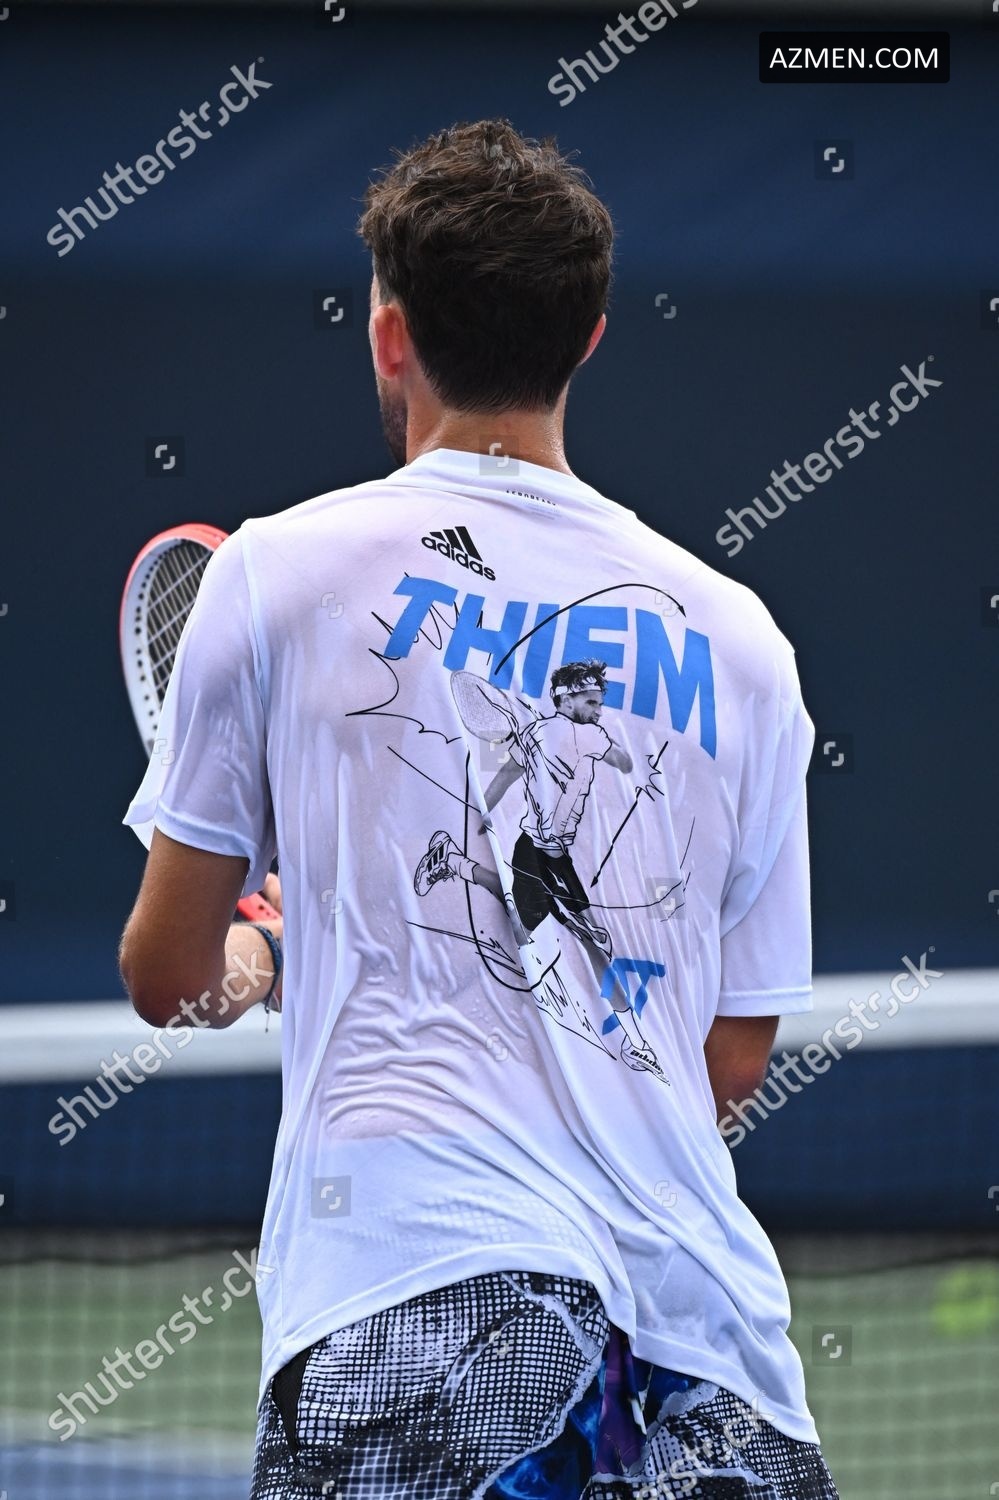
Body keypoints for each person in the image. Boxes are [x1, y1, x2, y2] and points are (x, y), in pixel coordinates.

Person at [119, 118, 838, 1499]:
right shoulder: (745, 642)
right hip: (712, 1362)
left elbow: (165, 975)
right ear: (589, 340)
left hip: (410, 1308)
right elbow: (733, 1058)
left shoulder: (272, 577)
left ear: (389, 336)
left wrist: (260, 956)